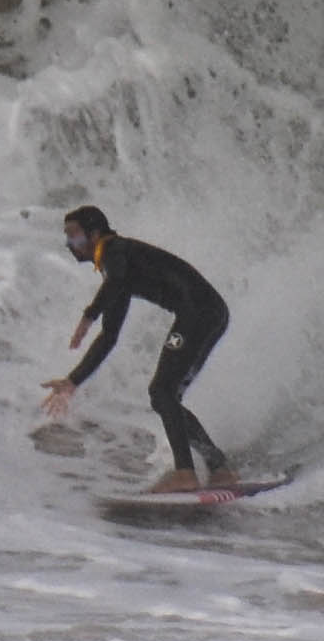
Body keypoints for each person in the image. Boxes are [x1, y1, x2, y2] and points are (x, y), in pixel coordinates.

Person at [41, 206, 230, 488]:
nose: (70, 244)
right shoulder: (120, 269)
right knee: (166, 397)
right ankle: (220, 469)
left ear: (94, 234)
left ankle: (185, 474)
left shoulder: (114, 250)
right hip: (208, 314)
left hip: (198, 314)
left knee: (162, 392)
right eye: (67, 237)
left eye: (75, 236)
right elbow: (109, 336)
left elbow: (115, 281)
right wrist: (72, 381)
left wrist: (89, 314)